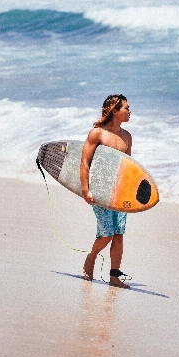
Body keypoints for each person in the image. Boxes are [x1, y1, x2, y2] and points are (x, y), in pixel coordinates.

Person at [80, 94, 132, 288]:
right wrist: (86, 189)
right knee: (107, 234)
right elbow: (84, 162)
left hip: (119, 192)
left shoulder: (127, 137)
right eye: (126, 108)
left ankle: (114, 277)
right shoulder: (97, 133)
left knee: (118, 234)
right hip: (100, 190)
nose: (129, 111)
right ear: (114, 110)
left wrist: (130, 194)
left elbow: (129, 169)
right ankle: (91, 258)